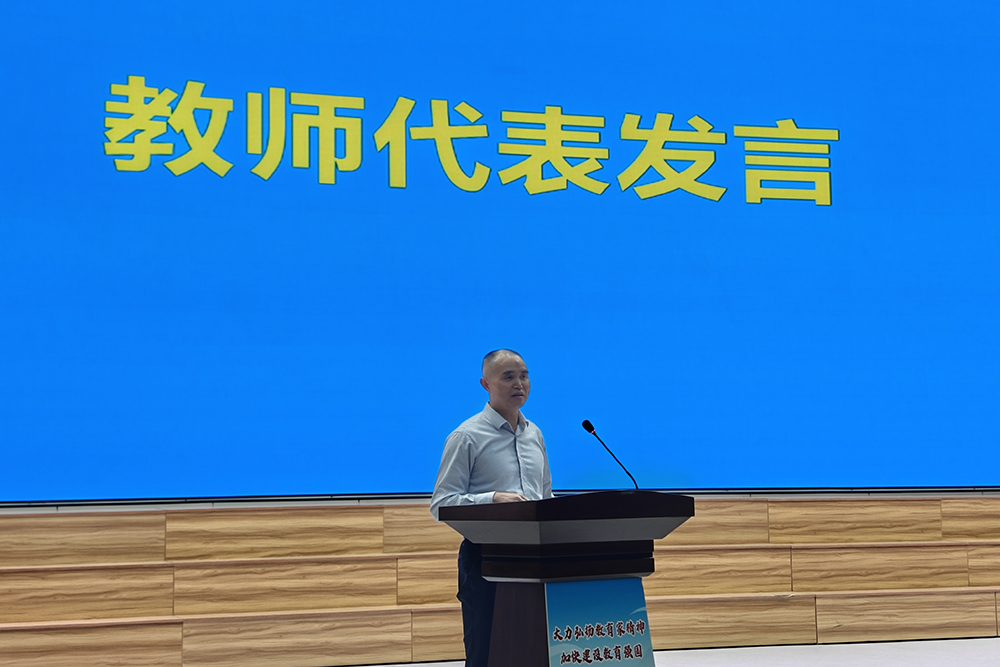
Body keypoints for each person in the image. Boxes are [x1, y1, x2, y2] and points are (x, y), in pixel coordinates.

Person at [430, 349, 553, 667]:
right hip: (487, 556)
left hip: (538, 557)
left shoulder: (535, 434)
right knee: (487, 651)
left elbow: (545, 496)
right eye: (508, 377)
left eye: (524, 376)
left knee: (535, 650)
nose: (519, 384)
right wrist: (492, 498)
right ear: (486, 384)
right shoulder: (466, 436)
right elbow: (442, 503)